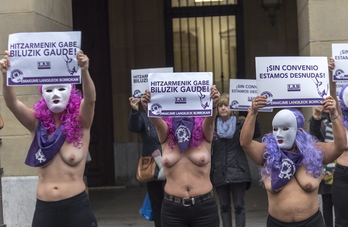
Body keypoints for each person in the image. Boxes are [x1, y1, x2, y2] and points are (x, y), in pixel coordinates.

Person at [0, 50, 98, 227]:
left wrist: (84, 70)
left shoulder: (81, 122)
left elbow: (90, 100)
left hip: (76, 207)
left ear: (71, 93)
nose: (55, 94)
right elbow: (12, 103)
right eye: (50, 90)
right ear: (43, 94)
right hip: (45, 209)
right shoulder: (36, 123)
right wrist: (6, 74)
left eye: (61, 89)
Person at [240, 95, 347, 227]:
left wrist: (334, 113)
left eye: (285, 129)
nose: (279, 134)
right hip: (277, 223)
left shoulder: (314, 152)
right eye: (275, 129)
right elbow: (245, 143)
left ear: (299, 131)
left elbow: (340, 145)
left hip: (311, 222)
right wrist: (253, 112)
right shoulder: (268, 153)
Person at [141, 85, 221, 227]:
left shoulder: (204, 132)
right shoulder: (166, 133)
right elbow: (157, 123)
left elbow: (210, 121)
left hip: (204, 207)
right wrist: (148, 107)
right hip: (173, 209)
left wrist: (213, 105)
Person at [210, 93, 260, 227]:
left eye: (226, 105)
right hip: (219, 171)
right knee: (224, 206)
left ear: (232, 108)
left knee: (239, 206)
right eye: (220, 105)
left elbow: (256, 133)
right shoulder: (212, 126)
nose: (223, 108)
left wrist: (253, 115)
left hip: (238, 170)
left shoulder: (241, 124)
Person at [128, 96, 165, 227]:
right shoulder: (144, 117)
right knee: (157, 203)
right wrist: (135, 110)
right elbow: (134, 127)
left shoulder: (171, 114)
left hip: (172, 164)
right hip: (153, 166)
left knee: (173, 202)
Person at [309, 105, 335, 227]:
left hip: (341, 168)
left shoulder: (341, 121)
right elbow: (314, 137)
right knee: (327, 205)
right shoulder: (321, 121)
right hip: (326, 170)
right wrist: (316, 118)